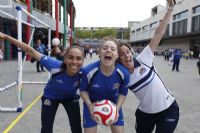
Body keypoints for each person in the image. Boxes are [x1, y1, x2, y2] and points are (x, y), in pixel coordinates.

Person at [0, 32, 83, 133]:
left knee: (77, 129)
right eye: (70, 57)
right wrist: (6, 36)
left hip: (70, 97)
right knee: (46, 130)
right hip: (51, 97)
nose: (74, 62)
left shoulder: (84, 72)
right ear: (64, 59)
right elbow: (30, 50)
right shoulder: (54, 65)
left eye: (78, 58)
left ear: (83, 61)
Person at [118, 0, 179, 133]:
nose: (127, 56)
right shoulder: (122, 76)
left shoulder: (144, 58)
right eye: (122, 55)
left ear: (131, 52)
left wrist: (170, 9)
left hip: (169, 108)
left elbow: (159, 33)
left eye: (127, 52)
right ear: (119, 59)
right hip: (145, 114)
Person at [80, 37, 130, 133]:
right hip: (92, 105)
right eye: (105, 48)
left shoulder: (123, 73)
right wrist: (90, 105)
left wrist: (116, 109)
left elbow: (123, 93)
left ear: (117, 55)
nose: (108, 50)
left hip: (114, 105)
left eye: (112, 49)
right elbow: (83, 90)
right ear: (99, 52)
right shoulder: (88, 70)